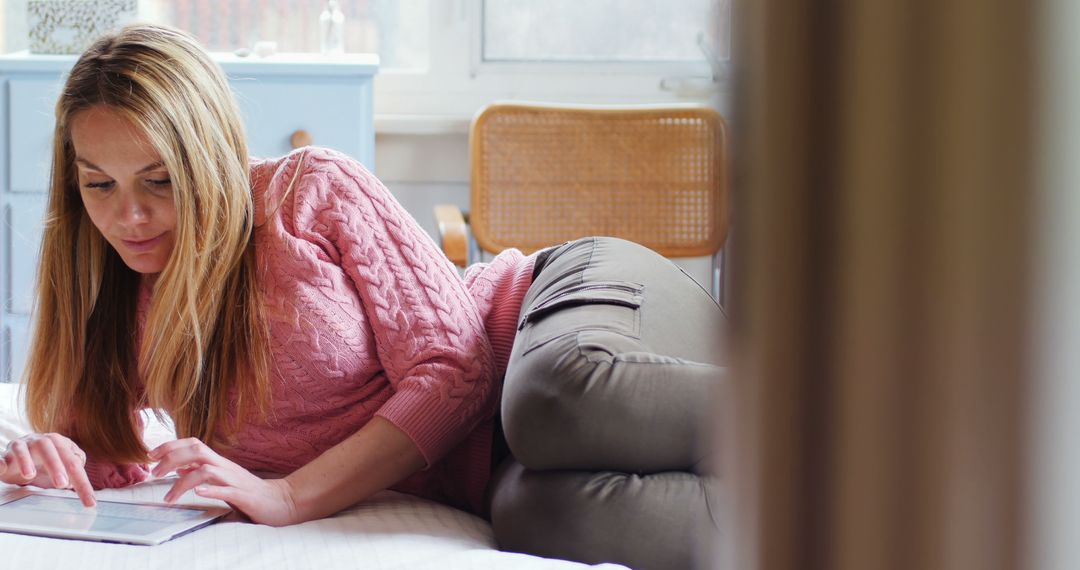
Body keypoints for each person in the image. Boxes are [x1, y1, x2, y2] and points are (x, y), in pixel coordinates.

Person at [0, 25, 723, 569]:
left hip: (560, 312)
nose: (130, 216)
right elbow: (104, 458)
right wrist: (41, 460)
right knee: (548, 523)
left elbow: (459, 369)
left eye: (158, 180)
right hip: (495, 467)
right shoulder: (114, 306)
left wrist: (290, 496)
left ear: (208, 154)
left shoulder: (308, 188)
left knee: (554, 404)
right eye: (100, 185)